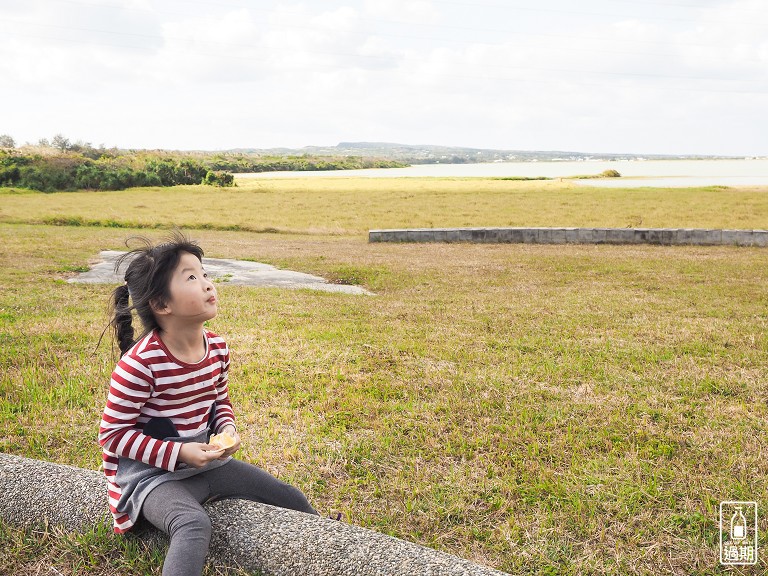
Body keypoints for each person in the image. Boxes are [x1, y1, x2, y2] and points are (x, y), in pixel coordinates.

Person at [98, 232, 319, 576]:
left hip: (205, 466)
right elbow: (112, 435)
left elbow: (219, 401)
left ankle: (330, 546)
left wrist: (226, 427)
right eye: (191, 277)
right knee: (192, 524)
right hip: (151, 480)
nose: (206, 284)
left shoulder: (216, 348)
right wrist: (180, 454)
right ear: (161, 304)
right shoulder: (140, 364)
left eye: (205, 274)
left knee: (285, 494)